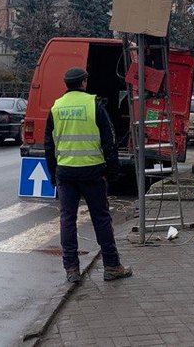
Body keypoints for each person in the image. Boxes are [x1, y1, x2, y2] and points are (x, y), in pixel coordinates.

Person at [44, 67, 132, 284]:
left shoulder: (56, 108)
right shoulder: (94, 105)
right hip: (93, 172)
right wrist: (112, 171)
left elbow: (49, 145)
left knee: (67, 220)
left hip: (66, 173)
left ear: (66, 84)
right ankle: (112, 266)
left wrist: (53, 174)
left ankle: (72, 270)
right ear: (83, 83)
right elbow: (109, 141)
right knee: (101, 219)